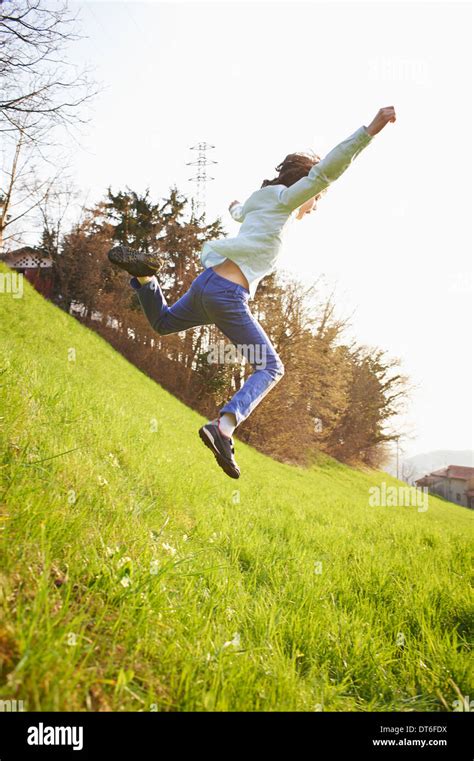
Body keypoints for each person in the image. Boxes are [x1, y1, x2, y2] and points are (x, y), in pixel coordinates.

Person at [108, 106, 396, 479]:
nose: (314, 205)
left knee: (162, 322)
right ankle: (223, 428)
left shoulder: (260, 204)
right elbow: (327, 172)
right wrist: (369, 130)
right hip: (227, 295)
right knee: (272, 367)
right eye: (315, 198)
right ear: (302, 186)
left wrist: (231, 205)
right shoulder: (285, 200)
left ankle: (146, 279)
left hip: (206, 285)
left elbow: (238, 211)